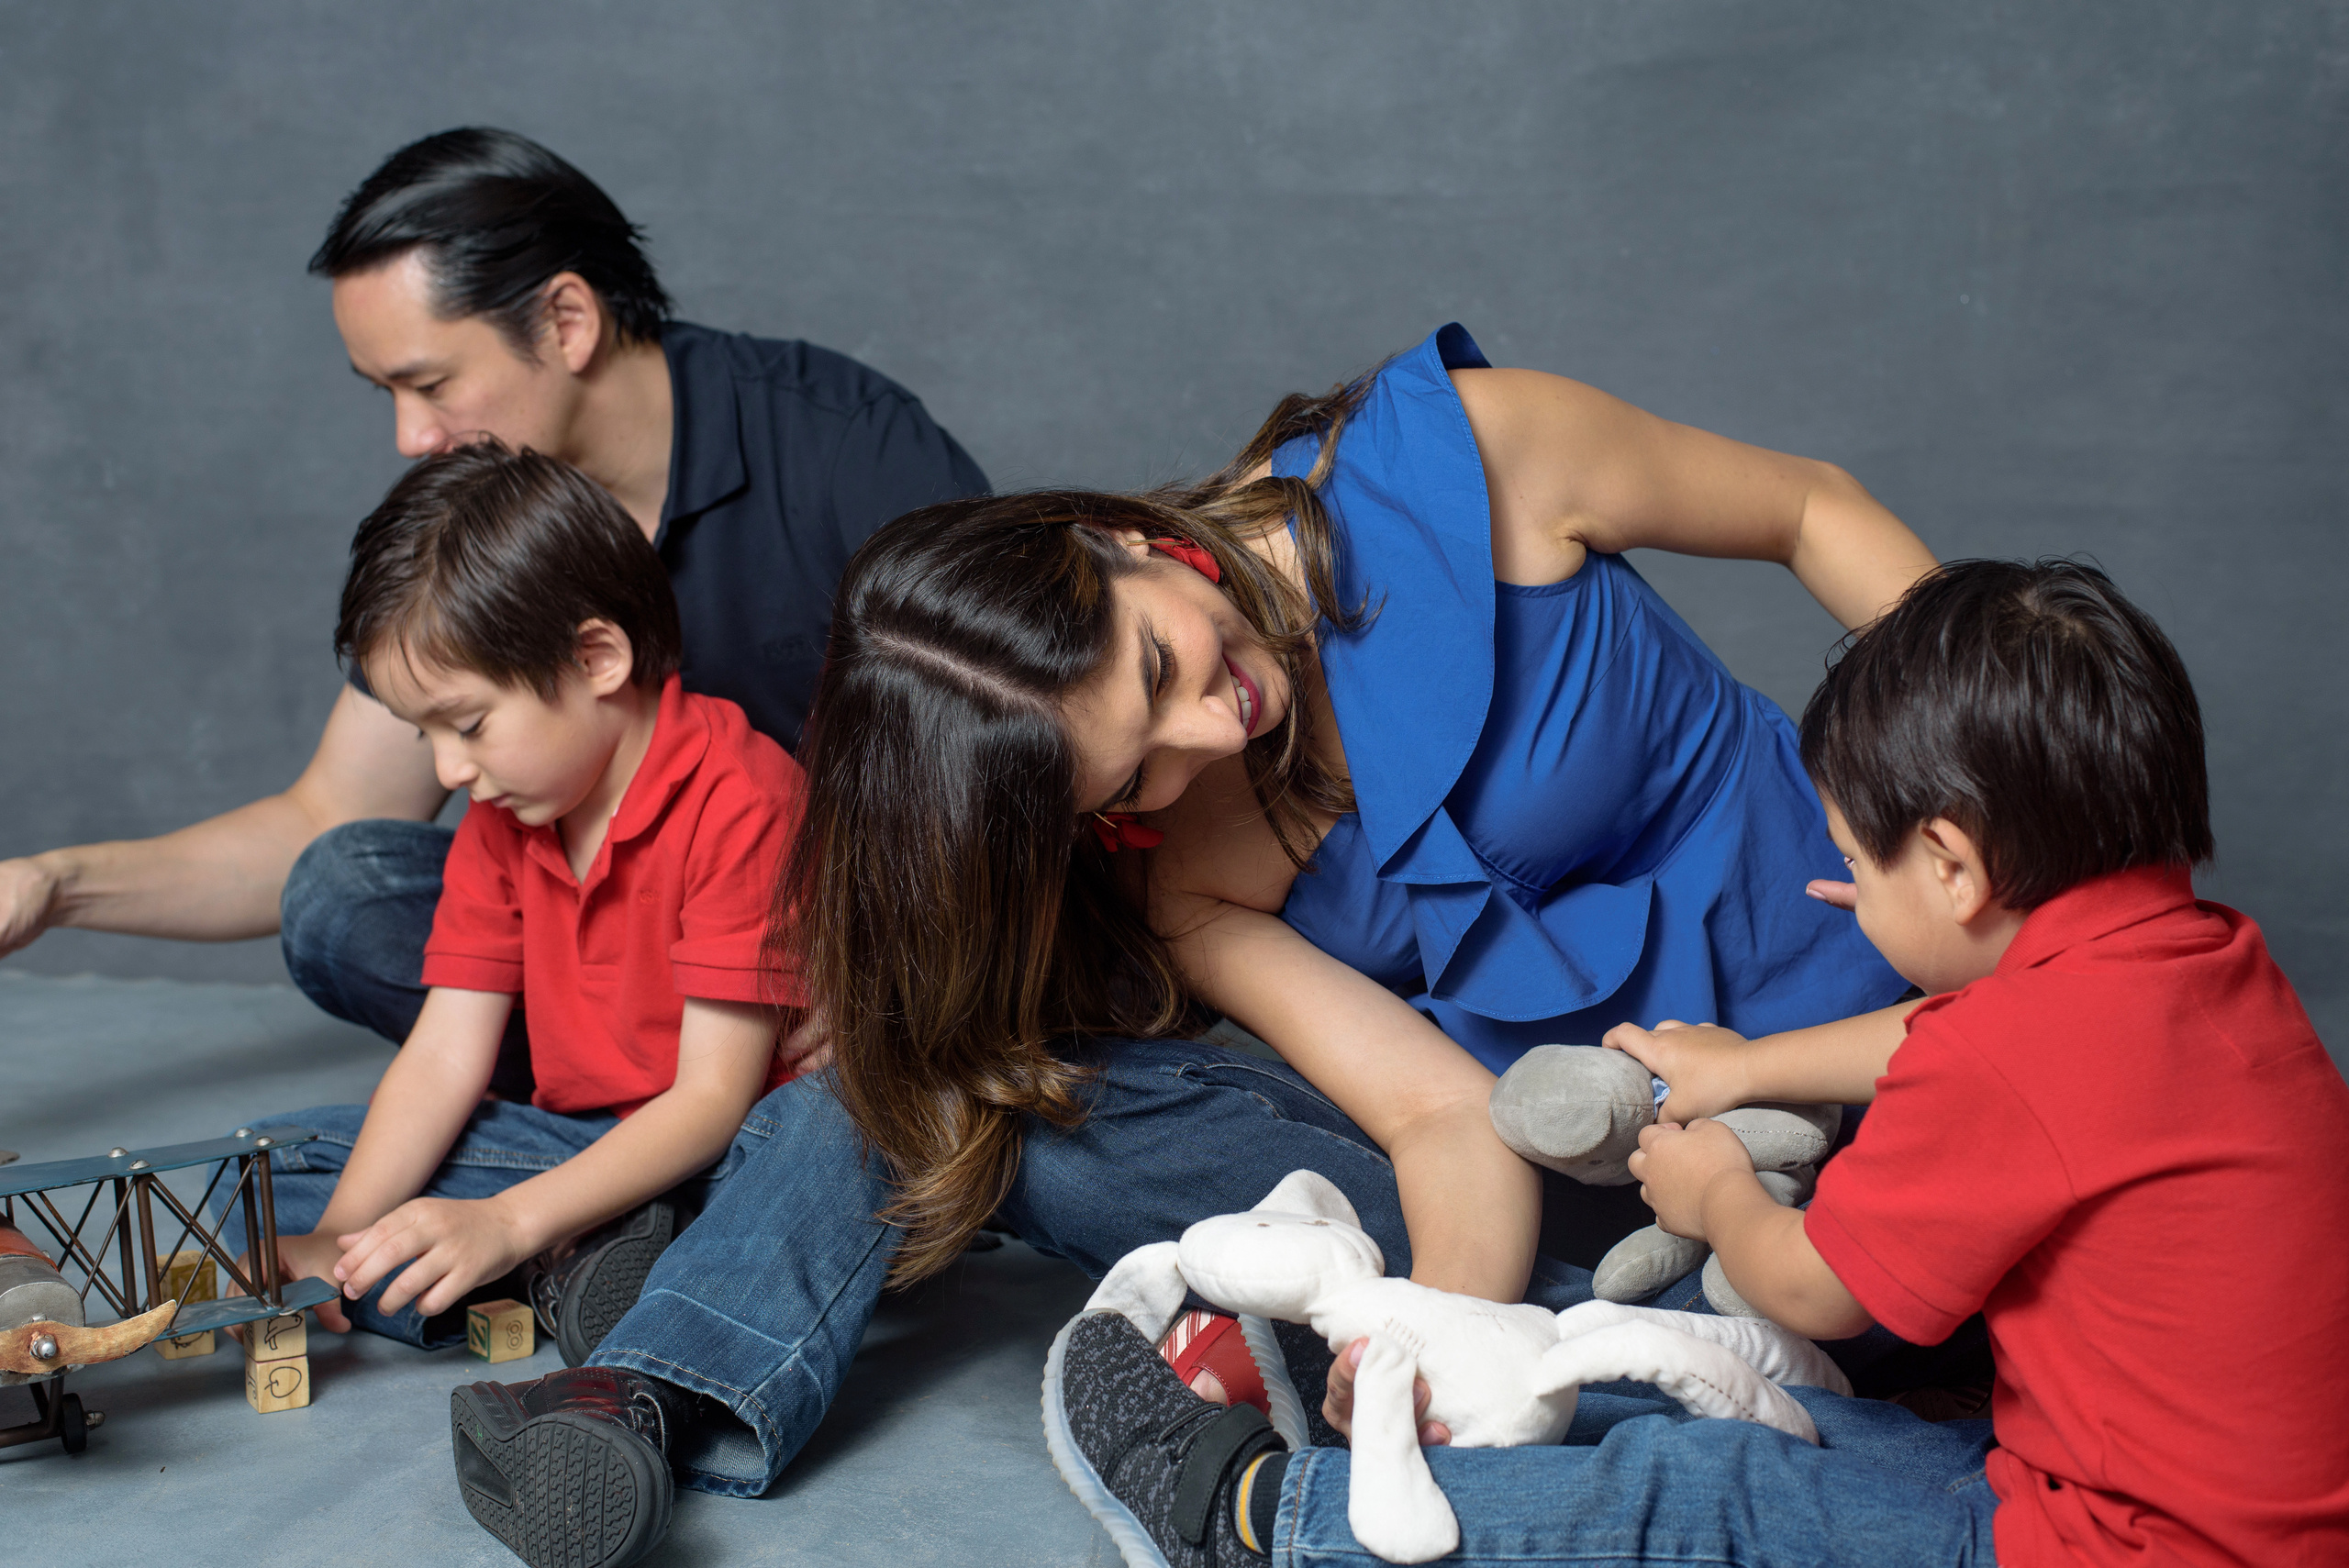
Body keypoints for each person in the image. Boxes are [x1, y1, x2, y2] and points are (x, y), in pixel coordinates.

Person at [432, 324, 1938, 1568]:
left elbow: (1812, 506)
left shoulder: (1461, 460)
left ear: (1130, 540)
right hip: (1623, 1189)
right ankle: (630, 1372)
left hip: (1907, 1073)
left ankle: (629, 1281)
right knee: (983, 1093)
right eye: (1130, 768)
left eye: (1157, 663)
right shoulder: (1192, 866)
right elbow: (1439, 1116)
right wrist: (1437, 1330)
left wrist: (2000, 808)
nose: (1207, 729)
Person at [1045, 558, 2349, 1566]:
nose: (1842, 890)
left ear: (1951, 867)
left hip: (2104, 1546)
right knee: (1755, 1411)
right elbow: (1940, 1039)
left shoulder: (2011, 1058)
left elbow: (1815, 1289)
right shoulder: (2198, 965)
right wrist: (1749, 1064)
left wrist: (1714, 1189)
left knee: (1710, 1489)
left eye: (1857, 862)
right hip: (2204, 1509)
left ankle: (1274, 1520)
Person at [0, 127, 985, 1101]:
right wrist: (56, 882)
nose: (409, 436)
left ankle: (691, 1161)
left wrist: (881, 970)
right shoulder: (477, 523)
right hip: (631, 987)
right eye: (382, 391)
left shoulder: (846, 447)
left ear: (566, 320)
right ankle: (636, 1154)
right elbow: (328, 815)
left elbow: (1019, 746)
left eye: (430, 384)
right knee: (345, 893)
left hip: (842, 959)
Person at [227, 439, 810, 1397]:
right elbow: (447, 1048)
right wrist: (345, 1231)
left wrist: (508, 1220)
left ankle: (576, 1257)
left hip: (728, 1154)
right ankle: (578, 1261)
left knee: (817, 1161)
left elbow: (711, 1101)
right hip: (576, 1145)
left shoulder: (739, 794)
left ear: (596, 657)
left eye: (468, 723)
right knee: (258, 1175)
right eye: (427, 736)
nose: (448, 770)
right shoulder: (506, 812)